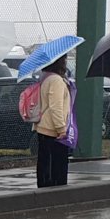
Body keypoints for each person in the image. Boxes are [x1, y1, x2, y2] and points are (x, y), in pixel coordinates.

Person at [34, 56, 73, 187]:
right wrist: (61, 129)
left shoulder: (44, 77)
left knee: (45, 164)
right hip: (53, 130)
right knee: (57, 167)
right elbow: (56, 106)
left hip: (42, 127)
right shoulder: (56, 80)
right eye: (65, 60)